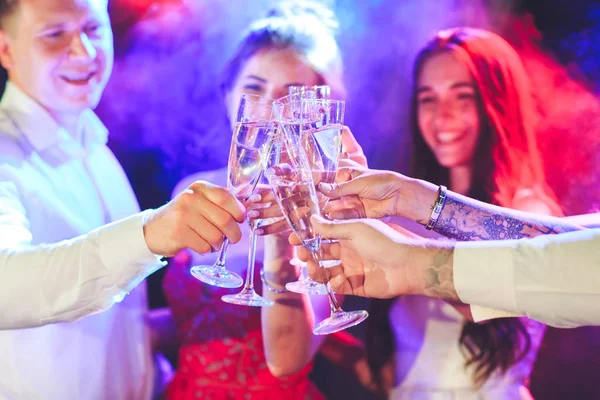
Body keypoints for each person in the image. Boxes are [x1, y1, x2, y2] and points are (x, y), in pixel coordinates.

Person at [263, 27, 563, 398]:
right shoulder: (404, 211)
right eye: (428, 99)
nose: (443, 116)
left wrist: (395, 242)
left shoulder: (527, 211)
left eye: (462, 96)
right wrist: (361, 362)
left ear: (496, 102)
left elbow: (494, 292)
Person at [0, 0, 247, 397]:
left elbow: (117, 320)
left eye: (94, 29)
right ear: (5, 49)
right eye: (55, 34)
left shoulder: (94, 145)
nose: (83, 51)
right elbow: (5, 289)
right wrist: (148, 235)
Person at [161, 3, 368, 399]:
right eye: (255, 89)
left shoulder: (334, 211)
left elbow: (286, 360)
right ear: (228, 95)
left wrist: (279, 233)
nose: (272, 110)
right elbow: (192, 321)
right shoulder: (194, 190)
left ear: (317, 112)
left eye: (291, 97)